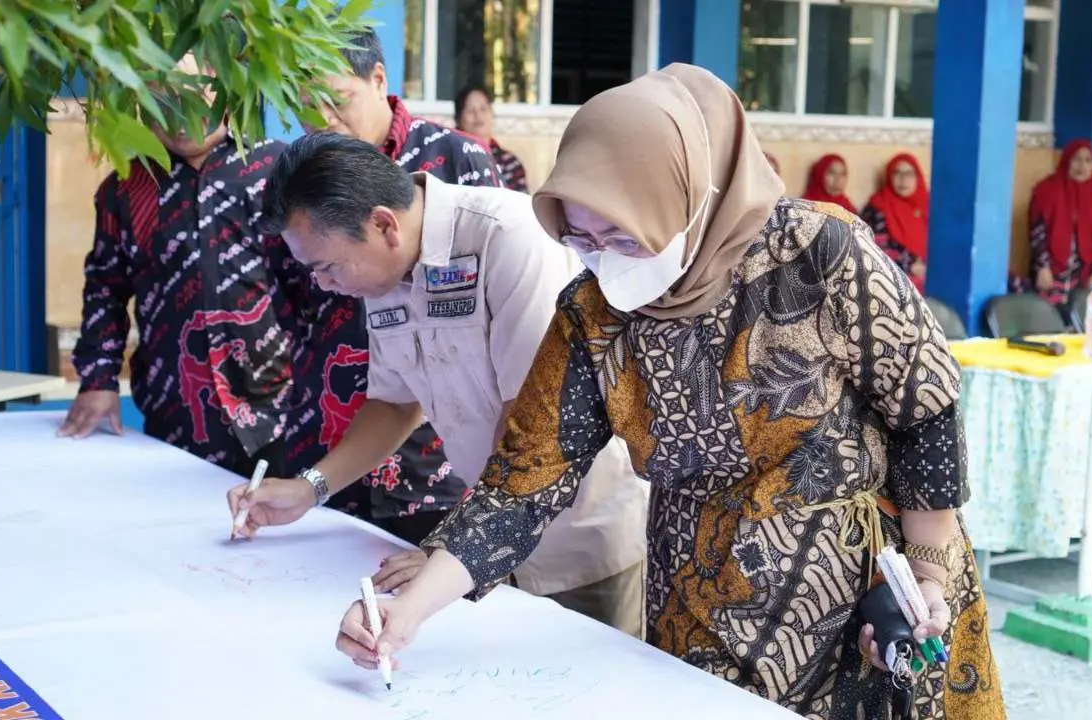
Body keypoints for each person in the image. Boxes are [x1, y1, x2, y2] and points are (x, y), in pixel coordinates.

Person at [334, 64, 1005, 719]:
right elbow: (522, 482)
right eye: (585, 241)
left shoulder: (819, 252)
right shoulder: (591, 314)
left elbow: (925, 406)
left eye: (623, 235)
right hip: (699, 603)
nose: (607, 263)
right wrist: (409, 612)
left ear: (688, 196)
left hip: (863, 590)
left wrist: (925, 573)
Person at [232, 132, 649, 635]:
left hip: (575, 543)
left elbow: (530, 423)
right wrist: (309, 489)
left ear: (384, 224)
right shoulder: (383, 270)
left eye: (326, 266)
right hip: (484, 539)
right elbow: (393, 405)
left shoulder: (505, 236)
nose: (322, 284)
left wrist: (450, 546)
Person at [256, 28, 501, 544]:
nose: (319, 118)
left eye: (334, 99)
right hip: (328, 437)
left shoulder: (456, 163)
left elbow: (491, 322)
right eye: (302, 106)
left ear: (378, 78)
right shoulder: (294, 181)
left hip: (434, 460)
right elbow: (288, 304)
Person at [58, 54, 292, 477]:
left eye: (193, 97)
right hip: (177, 414)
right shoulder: (127, 189)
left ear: (222, 90)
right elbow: (105, 289)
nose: (181, 118)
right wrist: (98, 379)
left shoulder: (278, 172)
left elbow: (321, 289)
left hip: (282, 412)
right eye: (165, 102)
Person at [1029, 139, 1092, 314]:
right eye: (1076, 159)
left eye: (1087, 160)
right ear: (1066, 161)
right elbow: (1037, 231)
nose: (1081, 166)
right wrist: (1042, 266)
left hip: (1083, 277)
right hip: (1050, 275)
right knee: (1049, 322)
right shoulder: (1046, 191)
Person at [862, 153, 930, 294]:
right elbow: (870, 250)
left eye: (909, 173)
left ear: (918, 177)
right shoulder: (877, 207)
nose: (903, 179)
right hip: (892, 283)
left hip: (930, 280)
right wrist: (909, 266)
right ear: (889, 177)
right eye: (897, 173)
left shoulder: (929, 206)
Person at [454, 85, 528, 192]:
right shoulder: (452, 159)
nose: (478, 115)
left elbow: (522, 204)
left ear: (492, 113)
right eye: (470, 110)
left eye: (483, 109)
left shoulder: (509, 162)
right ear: (458, 119)